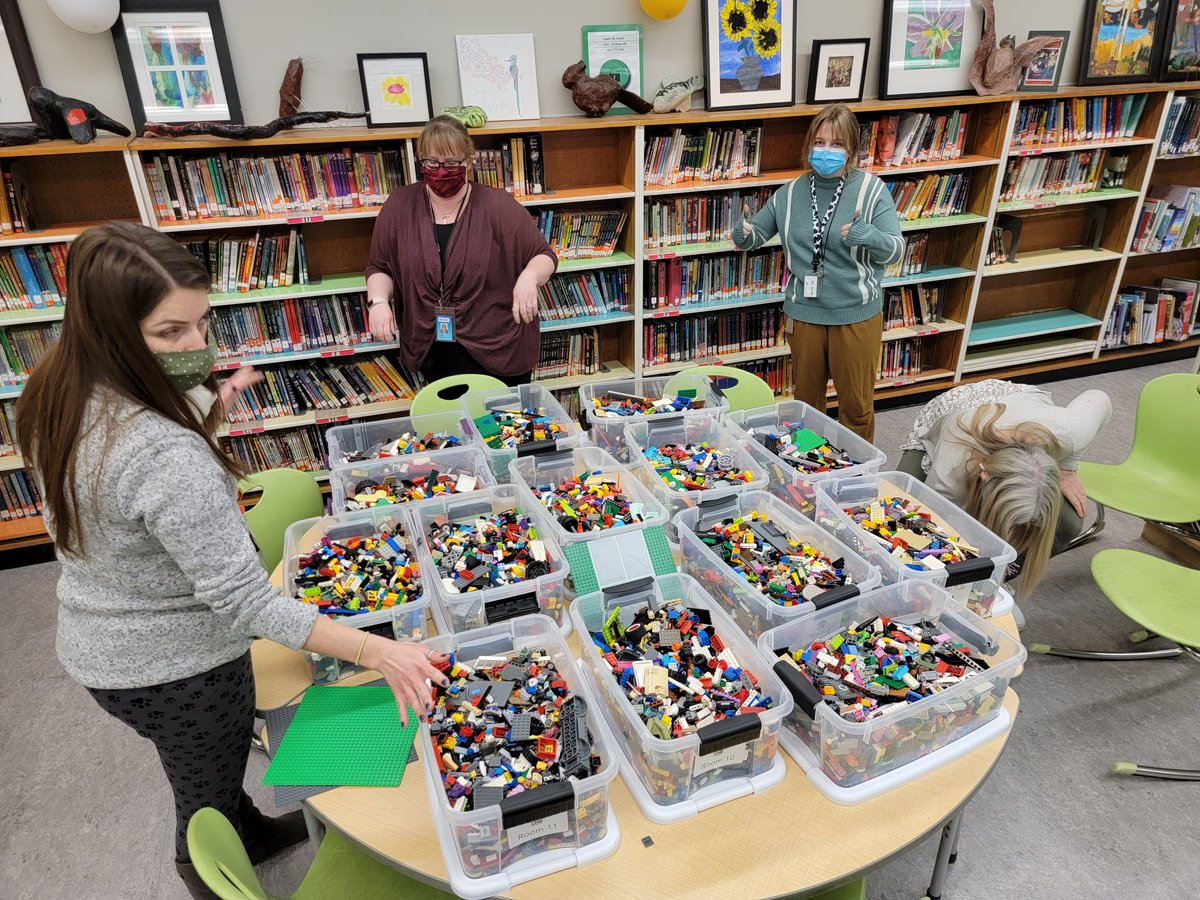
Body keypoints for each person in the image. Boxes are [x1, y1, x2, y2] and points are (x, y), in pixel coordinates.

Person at [15, 222, 450, 899]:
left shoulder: (59, 388)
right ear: (111, 332)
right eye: (171, 333)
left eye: (202, 324)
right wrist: (378, 653)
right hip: (174, 665)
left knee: (204, 768)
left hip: (105, 641)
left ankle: (243, 828)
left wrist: (207, 408)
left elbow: (125, 487)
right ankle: (214, 868)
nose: (198, 346)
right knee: (204, 793)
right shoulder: (162, 455)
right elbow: (247, 602)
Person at [733, 103, 903, 441]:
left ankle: (856, 474)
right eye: (820, 142)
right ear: (810, 144)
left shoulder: (871, 190)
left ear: (852, 149)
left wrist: (869, 236)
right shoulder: (790, 192)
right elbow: (756, 234)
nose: (827, 151)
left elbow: (895, 249)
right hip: (804, 316)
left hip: (855, 315)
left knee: (855, 407)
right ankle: (810, 470)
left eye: (837, 144)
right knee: (806, 406)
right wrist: (743, 234)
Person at [365, 115, 557, 386]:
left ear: (468, 161)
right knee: (449, 426)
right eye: (432, 162)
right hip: (433, 349)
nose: (441, 171)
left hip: (497, 348)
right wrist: (379, 302)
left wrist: (528, 278)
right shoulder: (399, 206)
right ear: (421, 161)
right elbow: (380, 267)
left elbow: (544, 256)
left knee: (501, 428)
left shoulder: (496, 205)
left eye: (452, 163)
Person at [897, 379, 1112, 597]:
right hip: (949, 412)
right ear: (984, 478)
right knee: (900, 507)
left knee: (1068, 523)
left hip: (1019, 401)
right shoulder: (951, 471)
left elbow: (1099, 397)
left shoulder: (1070, 431)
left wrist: (1066, 468)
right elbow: (932, 530)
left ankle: (995, 576)